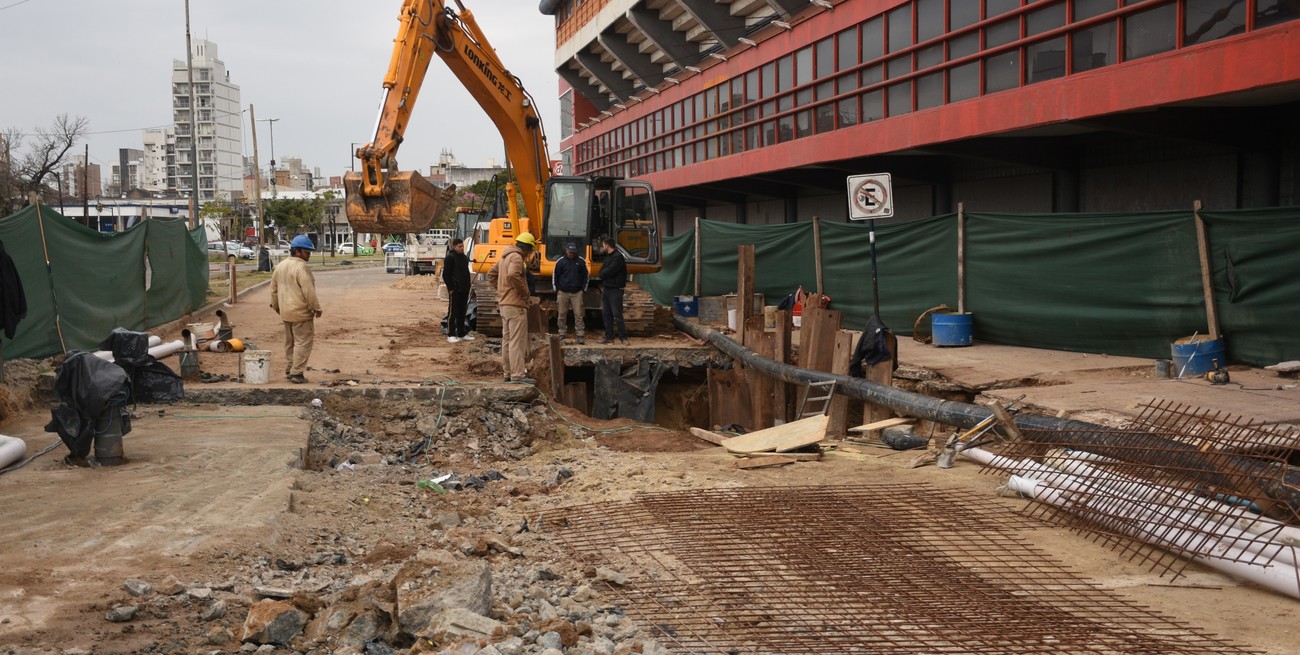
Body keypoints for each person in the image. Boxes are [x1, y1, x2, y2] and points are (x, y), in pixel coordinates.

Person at [270, 235, 322, 384]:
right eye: (307, 252)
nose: (309, 255)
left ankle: (290, 369)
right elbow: (308, 290)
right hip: (301, 312)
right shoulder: (301, 266)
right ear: (298, 252)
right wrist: (316, 308)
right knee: (303, 342)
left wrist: (276, 306)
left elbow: (273, 289)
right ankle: (296, 373)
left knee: (290, 343)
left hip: (286, 312)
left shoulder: (280, 266)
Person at [488, 232, 536, 384]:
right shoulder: (516, 257)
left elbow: (491, 275)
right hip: (515, 305)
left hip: (504, 304)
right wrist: (524, 292)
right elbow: (513, 275)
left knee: (507, 340)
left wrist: (503, 290)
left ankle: (508, 373)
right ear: (527, 249)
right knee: (517, 341)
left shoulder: (504, 257)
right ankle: (518, 375)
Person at [552, 242, 588, 344]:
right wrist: (556, 289)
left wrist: (583, 289)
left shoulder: (581, 262)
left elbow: (585, 276)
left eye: (573, 252)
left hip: (577, 292)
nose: (571, 254)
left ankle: (580, 335)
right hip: (563, 291)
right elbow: (555, 275)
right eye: (570, 252)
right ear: (566, 251)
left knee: (579, 314)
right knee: (562, 313)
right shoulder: (560, 262)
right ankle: (562, 333)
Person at [597, 237, 629, 346]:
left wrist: (603, 274)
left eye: (603, 245)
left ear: (607, 245)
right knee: (606, 314)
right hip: (607, 289)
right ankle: (609, 337)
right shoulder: (608, 257)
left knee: (617, 314)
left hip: (615, 289)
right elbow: (602, 271)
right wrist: (603, 273)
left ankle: (623, 337)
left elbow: (610, 271)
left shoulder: (618, 257)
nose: (602, 247)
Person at [442, 238, 474, 343]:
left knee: (462, 312)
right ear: (454, 247)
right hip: (455, 290)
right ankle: (451, 334)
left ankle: (461, 333)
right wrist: (450, 288)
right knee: (453, 312)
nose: (462, 248)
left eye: (462, 246)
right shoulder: (450, 258)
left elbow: (465, 273)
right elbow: (446, 275)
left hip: (464, 289)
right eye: (460, 246)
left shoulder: (464, 258)